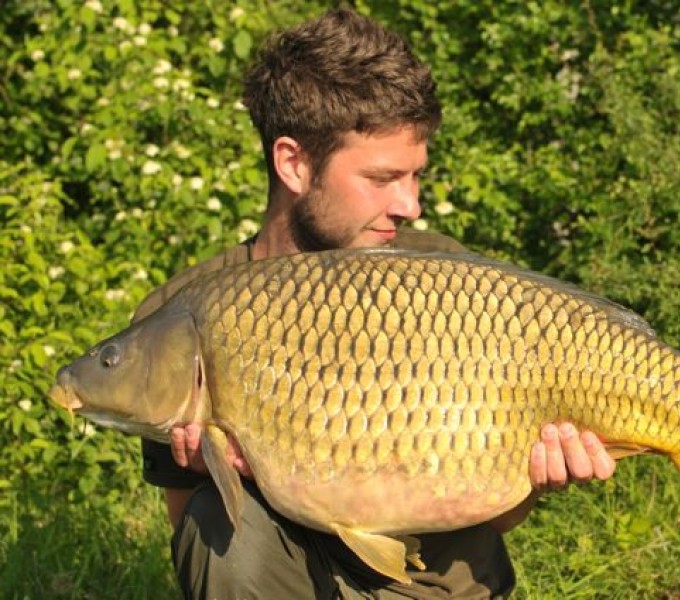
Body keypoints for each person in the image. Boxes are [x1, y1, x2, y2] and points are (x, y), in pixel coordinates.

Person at [134, 8, 616, 599]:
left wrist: (537, 478)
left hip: (438, 587)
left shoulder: (442, 281)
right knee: (215, 519)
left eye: (415, 177)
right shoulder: (183, 322)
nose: (409, 204)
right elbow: (188, 538)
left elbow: (495, 518)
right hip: (285, 582)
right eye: (383, 178)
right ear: (294, 163)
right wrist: (219, 466)